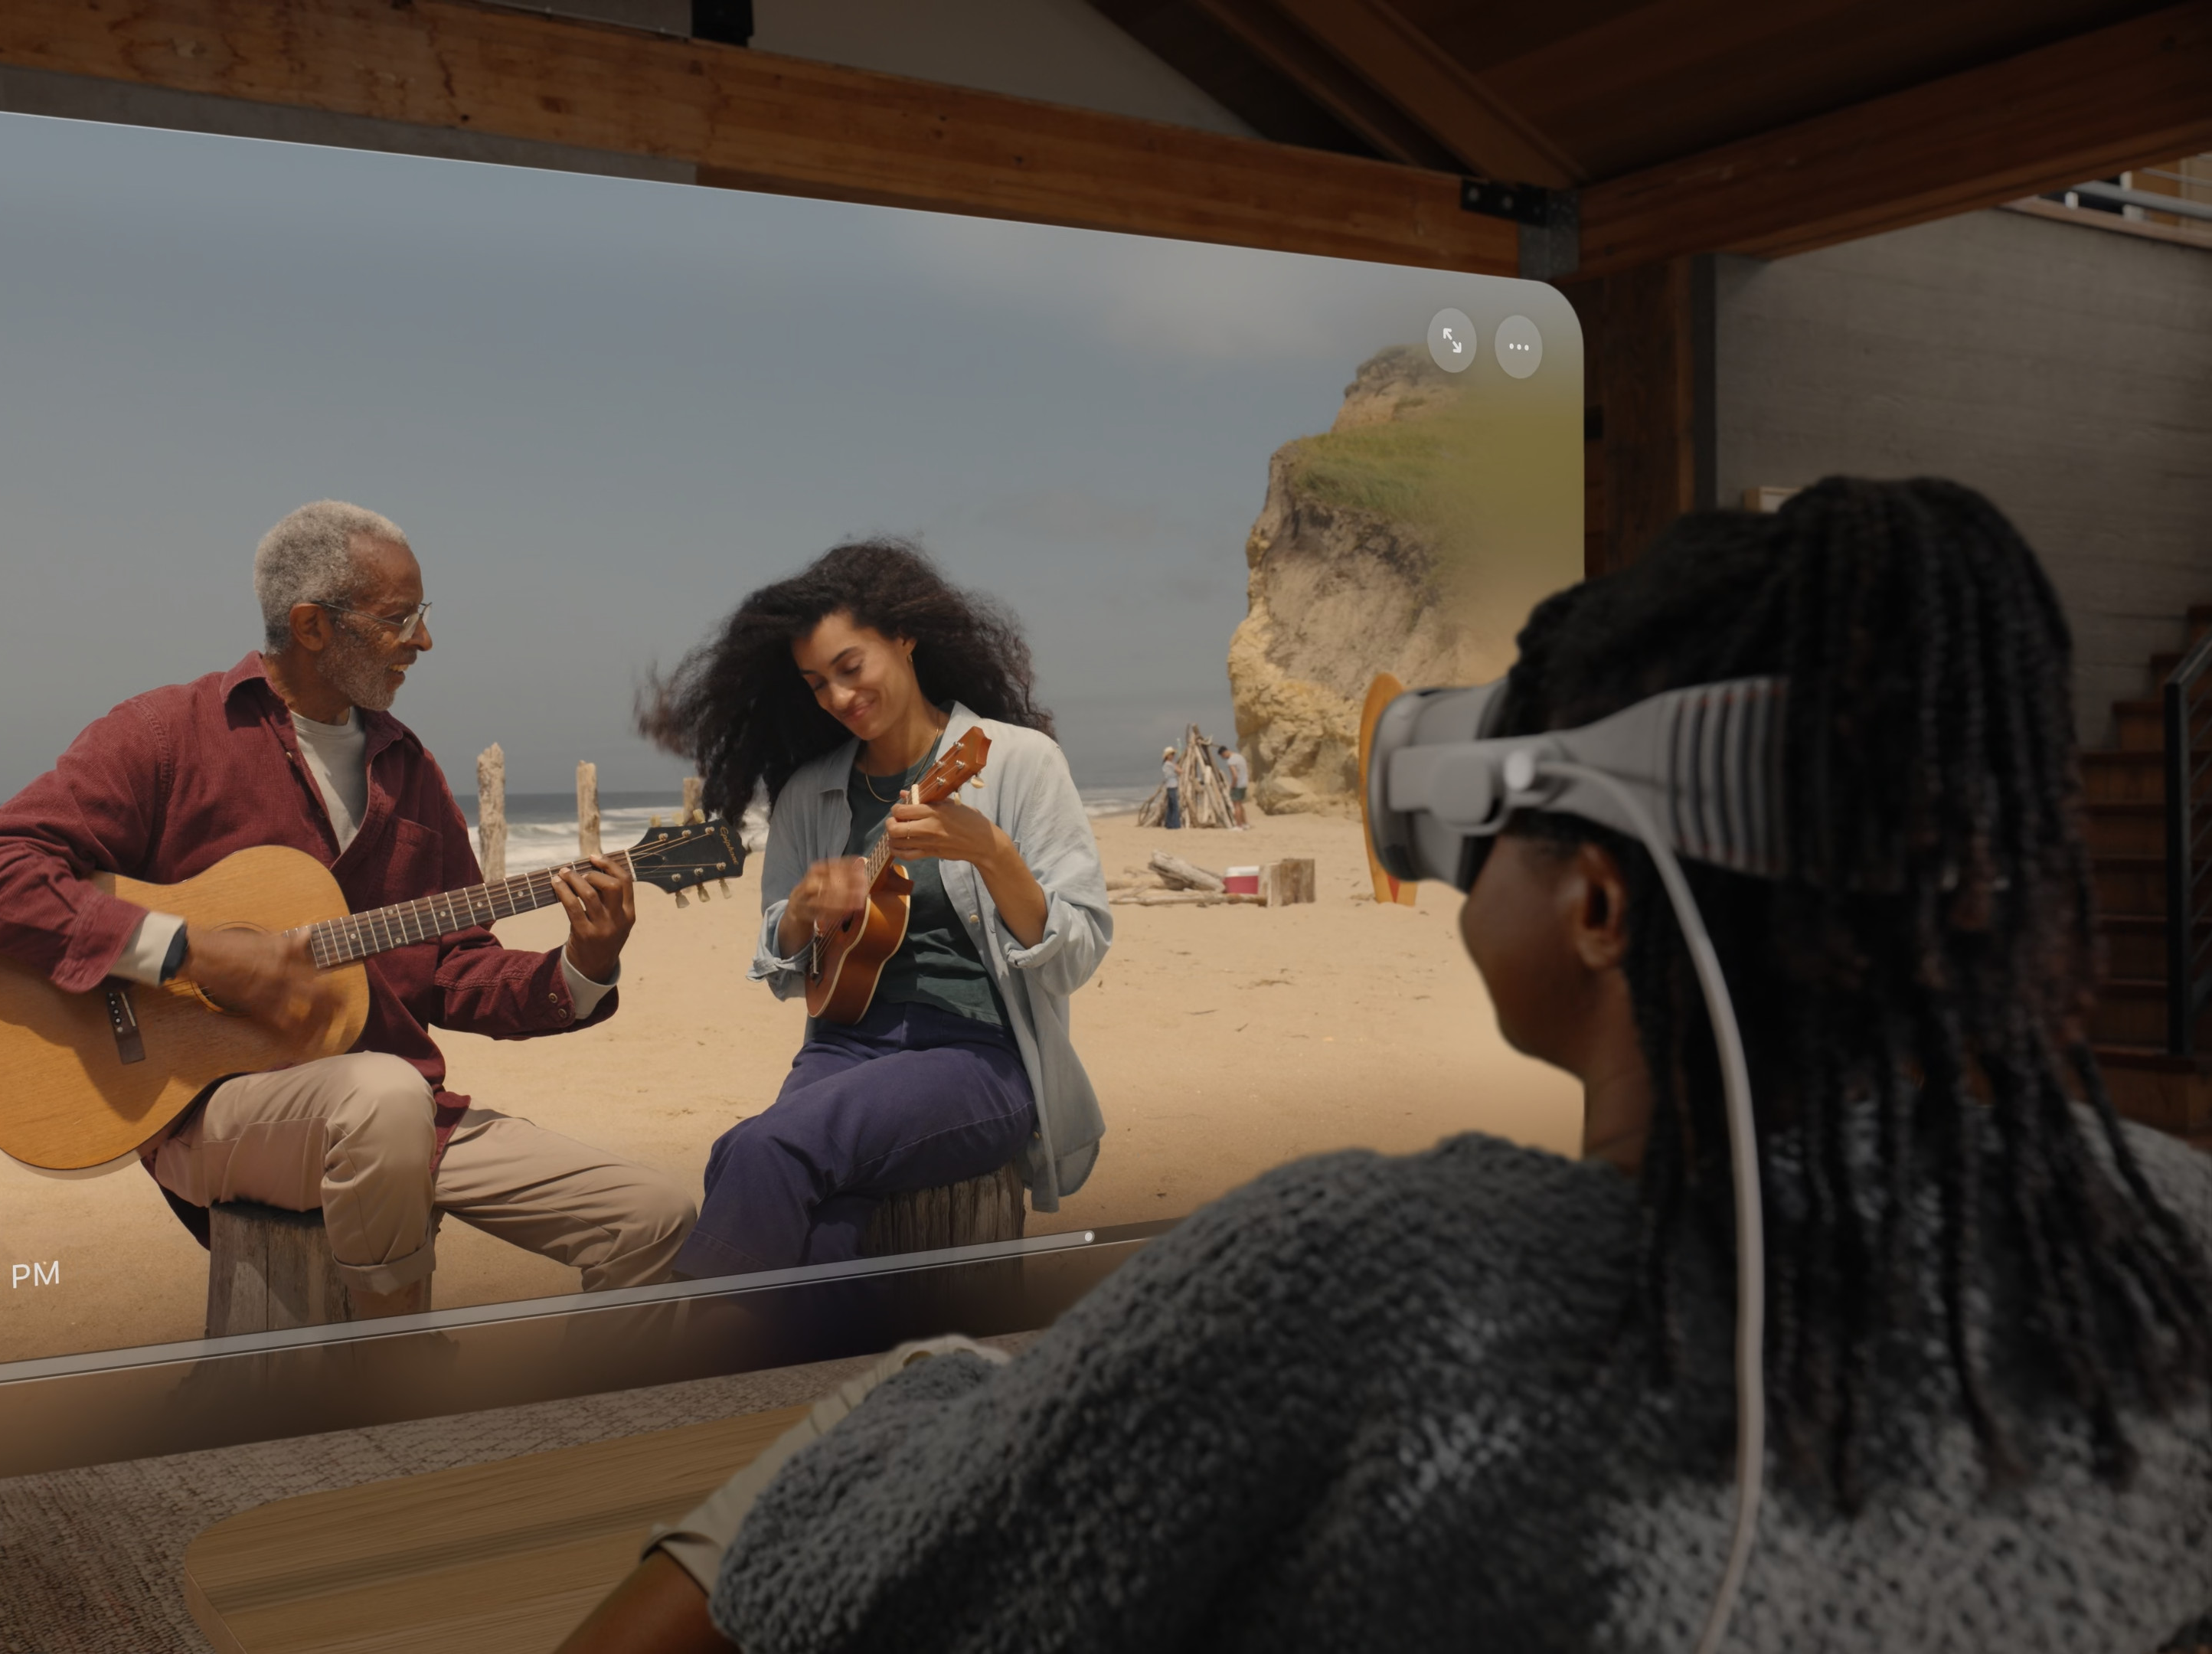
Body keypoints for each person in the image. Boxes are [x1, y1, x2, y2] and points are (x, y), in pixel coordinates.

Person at [563, 479, 2212, 1651]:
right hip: (852, 1063)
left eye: (1492, 825)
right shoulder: (2167, 1234)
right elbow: (791, 952)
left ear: (1598, 897)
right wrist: (822, 919)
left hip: (980, 1076)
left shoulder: (1375, 1277)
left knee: (839, 1329)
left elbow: (830, 1578)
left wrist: (915, 1411)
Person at [0, 500, 692, 1319]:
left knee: (655, 1219)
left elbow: (455, 970)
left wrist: (586, 965)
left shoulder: (410, 769)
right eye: (400, 619)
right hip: (209, 1114)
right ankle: (395, 1363)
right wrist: (183, 952)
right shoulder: (168, 734)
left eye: (423, 616)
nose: (424, 642)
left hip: (402, 1119)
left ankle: (583, 1440)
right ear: (312, 625)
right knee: (384, 1095)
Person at [637, 538, 1111, 1279]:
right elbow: (783, 963)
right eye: (816, 683)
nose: (837, 698)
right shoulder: (810, 793)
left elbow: (1078, 950)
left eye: (850, 668)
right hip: (838, 1048)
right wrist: (801, 911)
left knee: (762, 1148)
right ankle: (834, 1384)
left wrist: (991, 853)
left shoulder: (1016, 762)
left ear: (905, 635)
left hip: (975, 1056)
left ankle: (688, 1352)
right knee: (817, 1223)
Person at [1217, 736, 1250, 829]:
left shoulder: (1231, 761)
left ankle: (1239, 825)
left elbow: (1235, 775)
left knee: (1236, 805)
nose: (1223, 758)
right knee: (1240, 804)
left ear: (1224, 753)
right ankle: (1245, 823)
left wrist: (1232, 785)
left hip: (1238, 785)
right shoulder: (1240, 757)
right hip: (1244, 783)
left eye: (1222, 756)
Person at [1158, 744, 1182, 829]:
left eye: (1173, 754)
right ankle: (1176, 825)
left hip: (1170, 786)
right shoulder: (1169, 764)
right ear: (1167, 756)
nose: (1173, 756)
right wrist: (1177, 766)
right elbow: (1180, 771)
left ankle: (1168, 824)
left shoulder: (1166, 764)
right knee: (1175, 806)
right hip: (1172, 786)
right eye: (1171, 754)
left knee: (1171, 806)